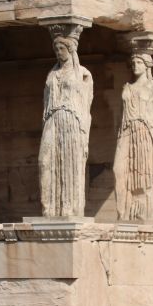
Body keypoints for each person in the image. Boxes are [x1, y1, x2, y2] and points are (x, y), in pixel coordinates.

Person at [39, 30, 93, 217]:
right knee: (45, 161)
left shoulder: (83, 74)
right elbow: (46, 100)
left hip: (71, 120)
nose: (58, 53)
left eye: (61, 48)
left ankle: (69, 208)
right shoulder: (52, 74)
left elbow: (86, 103)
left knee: (70, 163)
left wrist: (84, 132)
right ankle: (49, 208)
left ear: (70, 50)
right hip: (52, 120)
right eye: (56, 49)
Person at [114, 52, 153, 221]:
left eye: (139, 62)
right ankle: (123, 212)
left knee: (143, 173)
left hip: (143, 131)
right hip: (126, 130)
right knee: (118, 169)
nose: (135, 65)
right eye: (133, 62)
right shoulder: (127, 86)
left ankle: (141, 213)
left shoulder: (152, 87)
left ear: (147, 66)